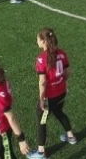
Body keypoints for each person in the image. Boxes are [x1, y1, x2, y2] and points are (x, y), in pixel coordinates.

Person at [27, 28, 77, 159]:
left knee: (41, 121)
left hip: (50, 97)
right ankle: (71, 136)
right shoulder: (62, 53)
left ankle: (41, 152)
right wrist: (62, 82)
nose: (36, 41)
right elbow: (68, 71)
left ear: (44, 41)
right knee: (59, 112)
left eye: (38, 39)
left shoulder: (41, 59)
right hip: (62, 92)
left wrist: (41, 99)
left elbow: (43, 82)